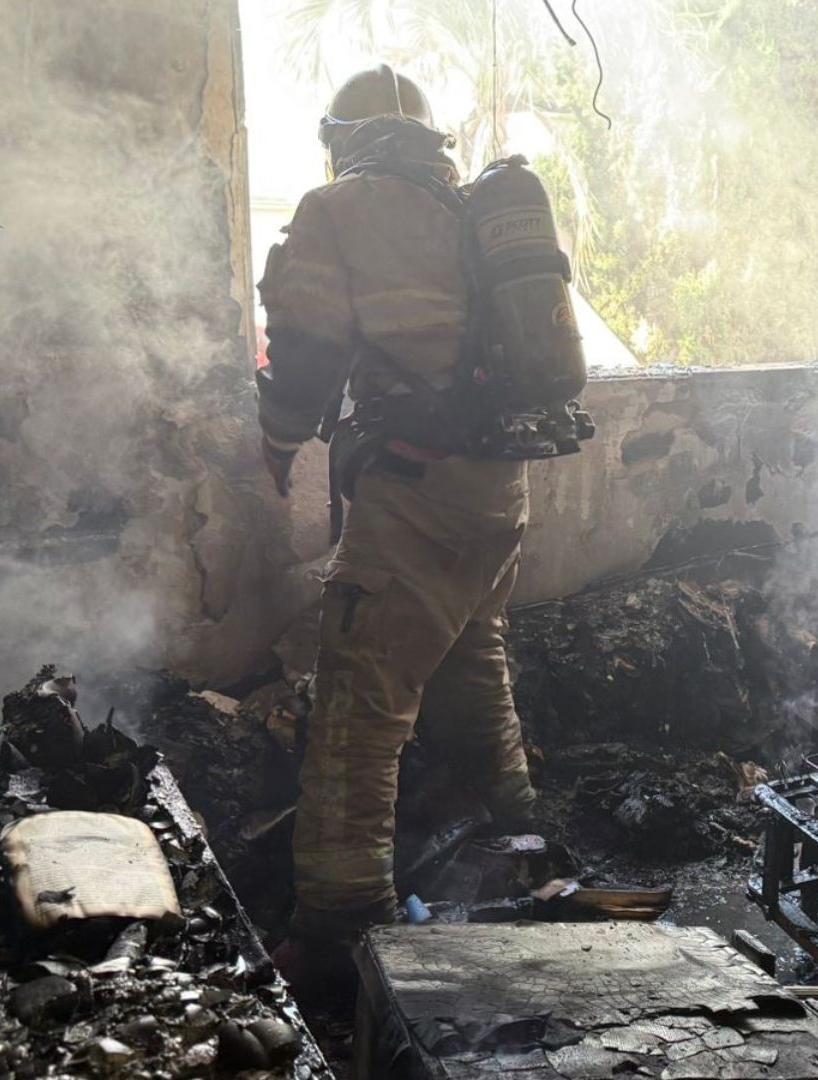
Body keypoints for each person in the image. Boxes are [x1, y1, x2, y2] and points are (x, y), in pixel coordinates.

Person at [255, 65, 537, 959]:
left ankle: (342, 926)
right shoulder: (468, 206)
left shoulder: (338, 208)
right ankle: (523, 831)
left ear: (342, 136)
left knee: (360, 704)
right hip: (499, 492)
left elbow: (304, 343)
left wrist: (278, 434)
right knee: (468, 658)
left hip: (417, 495)